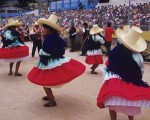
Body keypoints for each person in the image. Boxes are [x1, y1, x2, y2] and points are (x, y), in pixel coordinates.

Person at [27, 14, 86, 107]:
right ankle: (50, 96)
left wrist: (42, 51)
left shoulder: (50, 38)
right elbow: (61, 47)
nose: (42, 30)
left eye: (44, 28)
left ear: (49, 29)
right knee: (46, 80)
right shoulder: (54, 37)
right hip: (52, 60)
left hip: (49, 61)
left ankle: (52, 101)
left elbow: (47, 50)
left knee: (44, 81)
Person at [97, 26, 150, 120]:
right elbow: (141, 72)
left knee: (111, 101)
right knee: (131, 103)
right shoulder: (139, 57)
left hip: (114, 82)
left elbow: (110, 65)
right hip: (132, 81)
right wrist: (136, 80)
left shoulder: (115, 51)